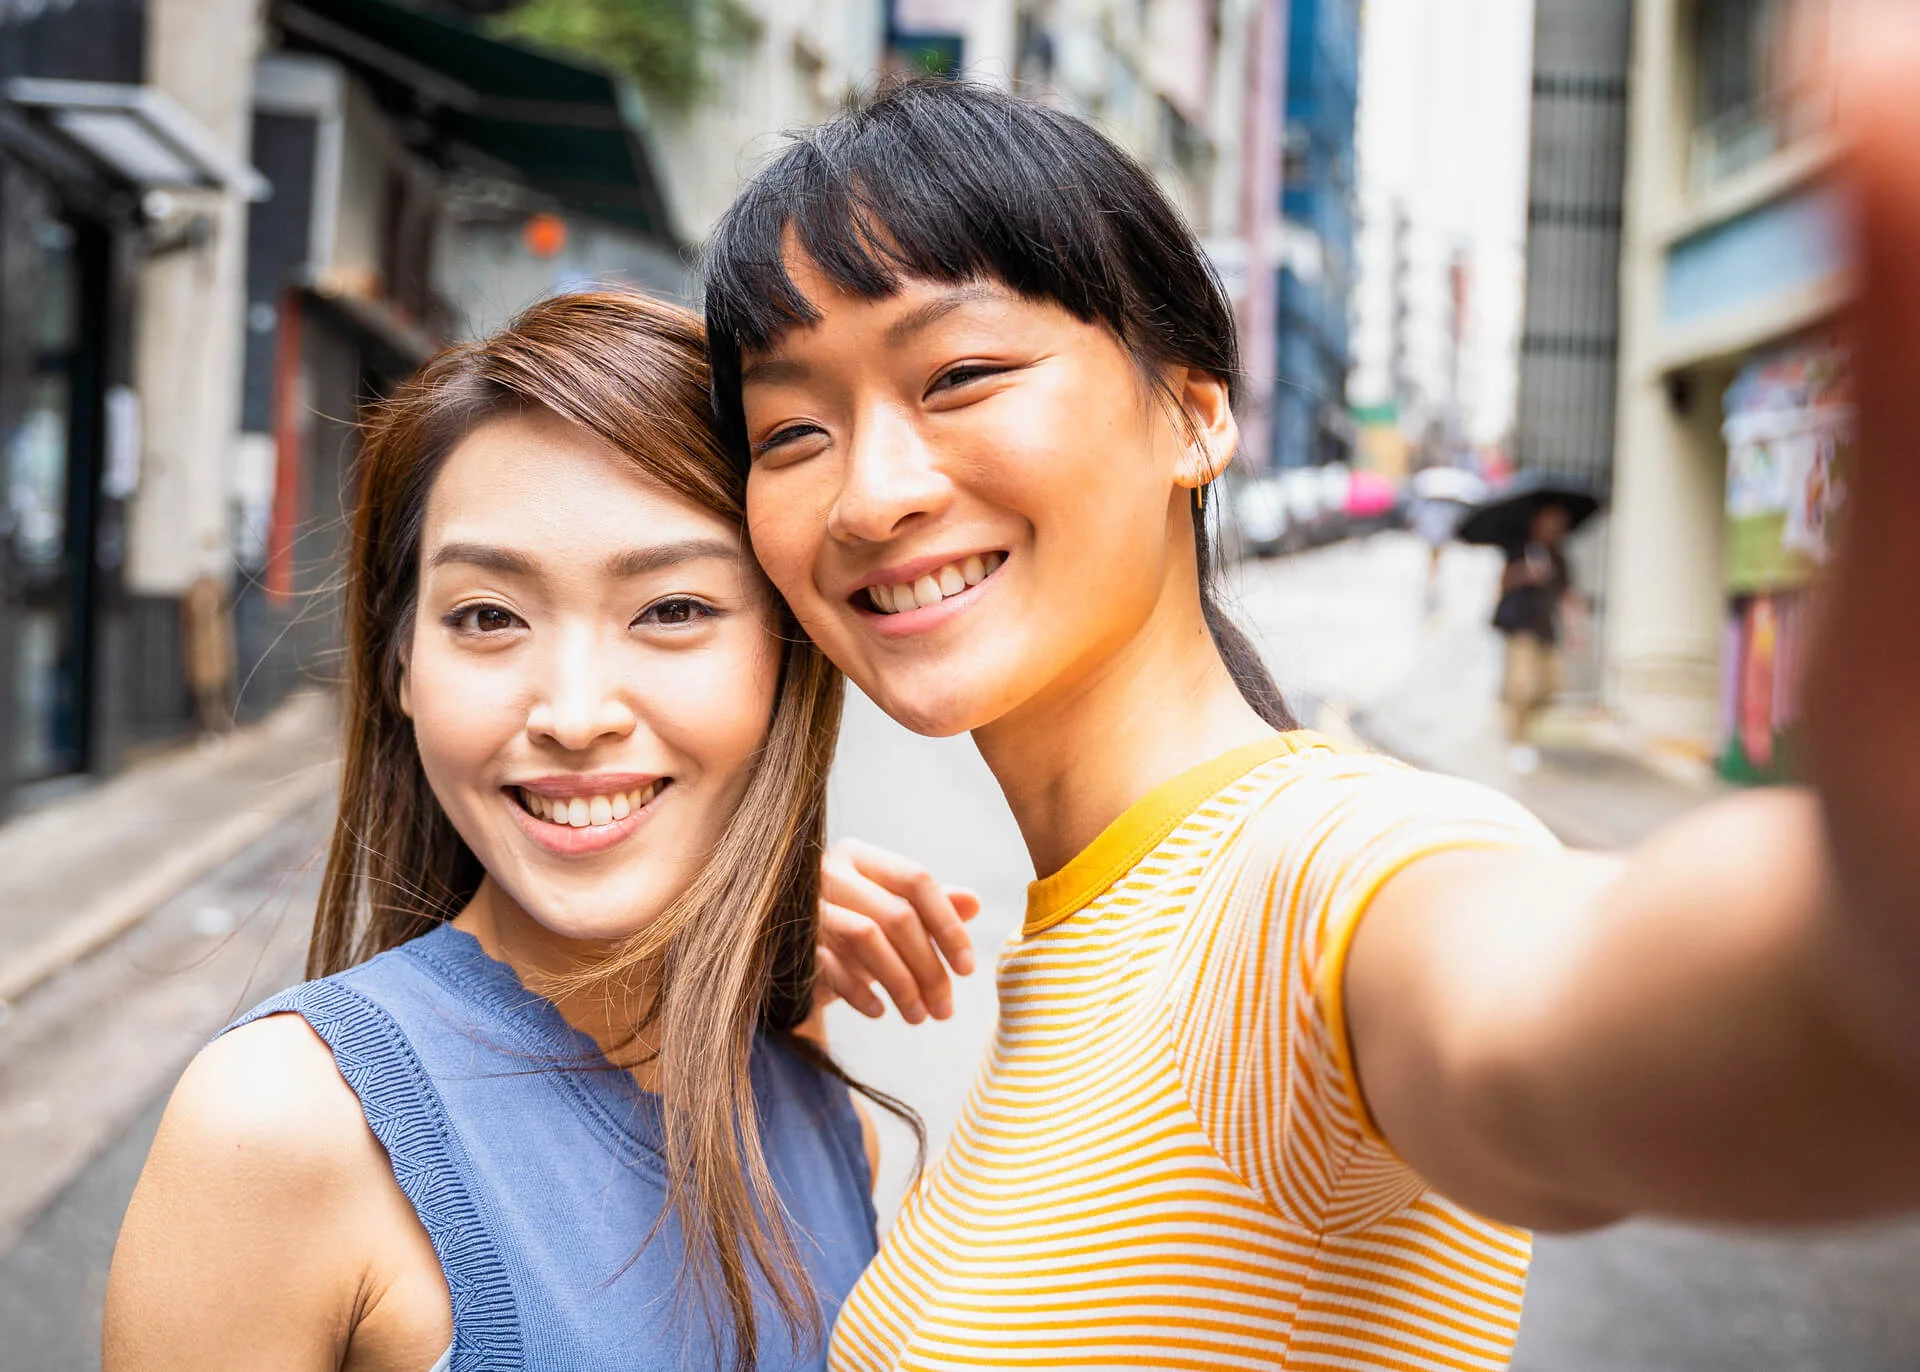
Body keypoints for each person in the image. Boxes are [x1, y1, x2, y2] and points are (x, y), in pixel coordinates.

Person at [704, 51, 1920, 1372]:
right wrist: (720, 980)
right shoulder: (1086, 925)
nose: (872, 496)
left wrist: (1860, 935)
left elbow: (1563, 1015)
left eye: (959, 377)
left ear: (1194, 414)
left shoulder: (1320, 875)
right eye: (789, 434)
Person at [103, 293, 974, 1371]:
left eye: (672, 609)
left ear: (788, 658)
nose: (571, 711)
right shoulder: (286, 1124)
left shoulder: (806, 1092)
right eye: (487, 617)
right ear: (402, 667)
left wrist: (755, 933)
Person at [1492, 501, 1577, 774]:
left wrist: (1576, 630)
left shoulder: (1560, 558)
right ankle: (1517, 740)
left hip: (1546, 629)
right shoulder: (1520, 550)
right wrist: (1524, 574)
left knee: (1548, 690)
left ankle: (1518, 722)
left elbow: (1567, 595)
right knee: (1522, 687)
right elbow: (1501, 582)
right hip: (1521, 627)